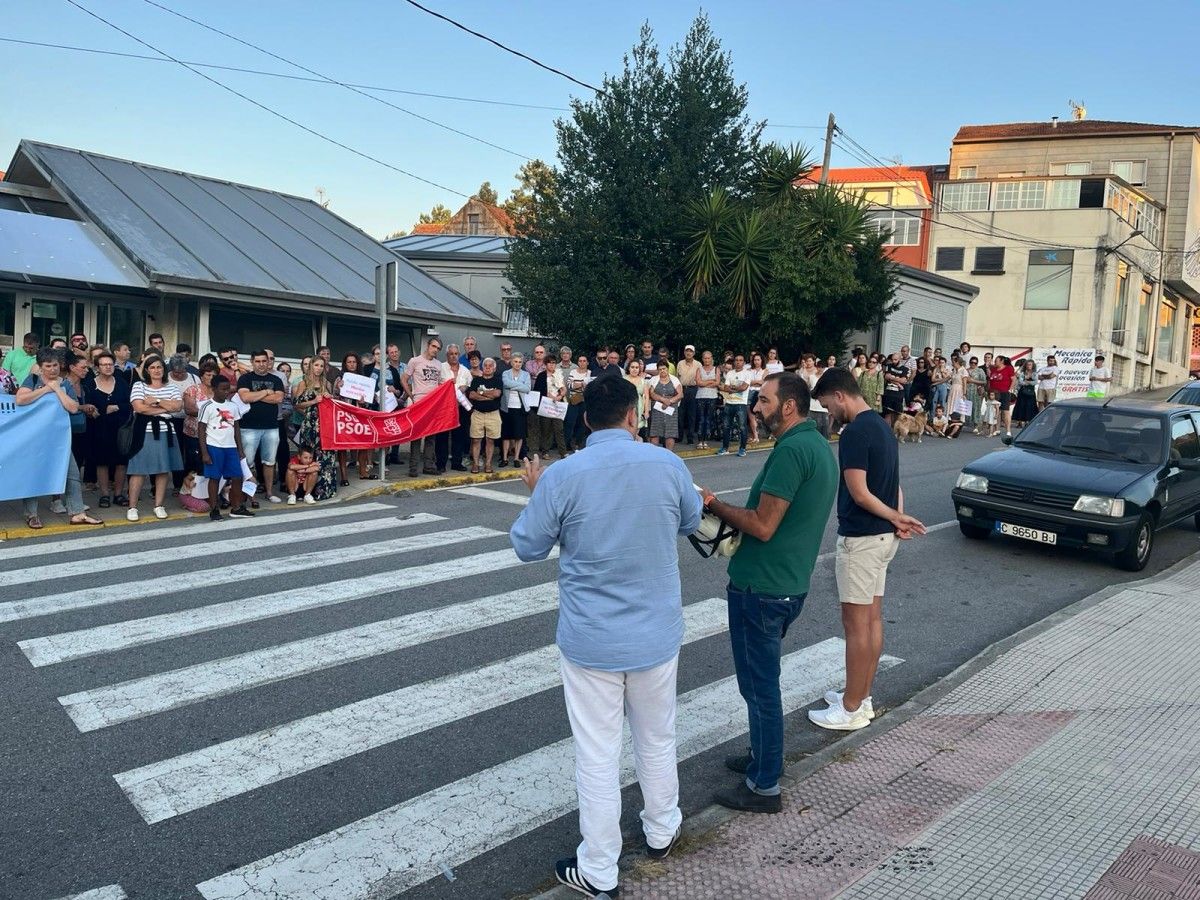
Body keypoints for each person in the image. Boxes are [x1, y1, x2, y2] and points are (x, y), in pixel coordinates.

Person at [510, 376, 702, 898]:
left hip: (591, 640)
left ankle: (599, 868)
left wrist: (537, 494)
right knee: (657, 736)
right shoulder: (668, 464)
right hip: (656, 634)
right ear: (634, 416)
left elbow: (527, 546)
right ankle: (662, 829)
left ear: (587, 420)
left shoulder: (563, 475)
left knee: (597, 753)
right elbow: (690, 520)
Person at [698, 373, 838, 813]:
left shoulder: (794, 450)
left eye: (763, 400)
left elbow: (762, 524)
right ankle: (763, 757)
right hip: (785, 583)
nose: (756, 407)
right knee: (760, 684)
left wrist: (712, 503)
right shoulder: (815, 445)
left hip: (762, 588)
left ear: (789, 406)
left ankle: (764, 786)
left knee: (759, 688)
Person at [810, 367, 925, 731]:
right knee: (872, 620)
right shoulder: (880, 425)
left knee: (856, 626)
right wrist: (898, 518)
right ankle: (862, 694)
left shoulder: (855, 432)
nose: (829, 413)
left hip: (861, 540)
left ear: (840, 395)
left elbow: (860, 492)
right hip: (882, 539)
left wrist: (896, 516)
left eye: (828, 405)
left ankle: (850, 707)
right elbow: (893, 482)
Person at [16, 349, 103, 528]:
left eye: (55, 365)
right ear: (40, 368)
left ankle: (77, 512)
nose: (53, 369)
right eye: (48, 366)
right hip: (35, 436)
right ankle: (31, 514)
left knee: (72, 475)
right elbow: (21, 399)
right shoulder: (32, 380)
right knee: (34, 475)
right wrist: (48, 389)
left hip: (59, 437)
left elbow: (73, 407)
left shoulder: (65, 384)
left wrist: (57, 389)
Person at [125, 354, 184, 522]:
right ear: (147, 370)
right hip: (144, 432)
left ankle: (159, 505)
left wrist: (156, 400)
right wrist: (164, 409)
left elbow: (177, 406)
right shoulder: (139, 385)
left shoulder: (172, 387)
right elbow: (139, 408)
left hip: (167, 432)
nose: (156, 370)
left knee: (163, 469)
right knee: (138, 470)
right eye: (152, 367)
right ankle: (132, 507)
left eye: (159, 367)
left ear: (164, 369)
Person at [198, 374, 251, 520]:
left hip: (231, 447)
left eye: (228, 389)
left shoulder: (233, 406)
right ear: (214, 389)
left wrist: (240, 449)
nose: (226, 392)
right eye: (223, 389)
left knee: (237, 476)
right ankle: (214, 509)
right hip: (214, 446)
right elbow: (201, 430)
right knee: (214, 478)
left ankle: (236, 507)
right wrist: (204, 453)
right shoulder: (207, 406)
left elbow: (236, 429)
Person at [84, 351, 131, 509]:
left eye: (110, 364)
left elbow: (130, 404)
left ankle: (118, 494)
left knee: (121, 462)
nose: (108, 367)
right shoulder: (90, 384)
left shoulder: (122, 383)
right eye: (104, 364)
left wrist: (116, 406)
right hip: (99, 429)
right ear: (97, 367)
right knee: (102, 462)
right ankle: (104, 494)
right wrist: (105, 409)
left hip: (121, 429)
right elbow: (90, 407)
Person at [236, 350, 284, 500]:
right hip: (248, 427)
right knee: (247, 463)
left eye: (264, 361)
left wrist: (256, 395)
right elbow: (244, 397)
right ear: (252, 361)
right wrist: (266, 392)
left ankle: (269, 493)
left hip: (271, 427)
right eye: (258, 361)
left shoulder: (276, 379)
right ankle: (246, 495)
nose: (261, 364)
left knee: (270, 462)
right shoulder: (245, 378)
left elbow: (278, 399)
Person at [293, 357, 338, 500]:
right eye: (316, 365)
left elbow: (333, 404)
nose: (318, 368)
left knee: (326, 457)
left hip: (325, 424)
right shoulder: (303, 383)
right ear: (311, 366)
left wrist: (329, 397)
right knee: (309, 457)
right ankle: (306, 491)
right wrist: (313, 401)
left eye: (321, 366)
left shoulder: (327, 383)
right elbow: (297, 404)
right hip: (310, 425)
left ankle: (324, 490)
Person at [401, 337, 445, 476]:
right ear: (428, 345)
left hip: (433, 403)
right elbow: (404, 378)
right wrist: (411, 394)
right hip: (419, 402)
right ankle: (413, 468)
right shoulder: (415, 361)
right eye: (434, 346)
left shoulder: (439, 364)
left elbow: (441, 383)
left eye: (438, 348)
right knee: (416, 436)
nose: (435, 350)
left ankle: (428, 466)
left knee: (431, 437)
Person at [468, 357, 504, 473]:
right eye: (485, 366)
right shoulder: (476, 381)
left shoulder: (498, 381)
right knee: (476, 440)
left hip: (493, 415)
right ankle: (475, 464)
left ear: (494, 368)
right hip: (477, 414)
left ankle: (488, 464)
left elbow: (497, 394)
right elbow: (472, 395)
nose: (487, 368)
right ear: (482, 367)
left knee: (490, 440)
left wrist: (481, 393)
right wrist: (488, 396)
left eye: (490, 366)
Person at [532, 355, 567, 458]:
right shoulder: (541, 376)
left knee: (559, 429)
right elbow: (537, 390)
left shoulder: (558, 374)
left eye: (553, 362)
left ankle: (563, 452)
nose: (552, 365)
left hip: (557, 405)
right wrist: (549, 396)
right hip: (546, 405)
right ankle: (545, 451)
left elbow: (563, 389)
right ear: (545, 364)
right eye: (550, 362)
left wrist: (559, 396)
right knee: (545, 429)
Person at [500, 352, 531, 466]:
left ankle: (517, 458)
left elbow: (527, 388)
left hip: (520, 408)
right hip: (507, 408)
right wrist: (519, 385)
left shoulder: (526, 374)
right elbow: (506, 383)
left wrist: (513, 385)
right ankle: (505, 458)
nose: (517, 364)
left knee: (519, 435)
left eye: (520, 362)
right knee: (506, 435)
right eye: (515, 362)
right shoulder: (505, 373)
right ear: (511, 362)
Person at [717, 354, 750, 457]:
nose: (738, 362)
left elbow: (744, 387)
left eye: (740, 360)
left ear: (744, 363)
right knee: (726, 427)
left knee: (742, 427)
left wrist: (732, 388)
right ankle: (725, 448)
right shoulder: (730, 373)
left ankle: (743, 448)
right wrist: (736, 388)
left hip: (741, 404)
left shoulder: (747, 373)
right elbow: (725, 388)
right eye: (736, 360)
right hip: (729, 403)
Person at [646, 361, 682, 450]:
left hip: (671, 408)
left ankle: (669, 454)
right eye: (660, 369)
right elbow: (651, 394)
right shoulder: (653, 379)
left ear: (667, 369)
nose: (662, 371)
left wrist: (669, 401)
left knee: (670, 433)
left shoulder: (674, 379)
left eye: (664, 369)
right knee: (655, 432)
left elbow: (680, 394)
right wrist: (663, 400)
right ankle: (655, 455)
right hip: (657, 407)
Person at [695, 351, 720, 450]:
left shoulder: (716, 369)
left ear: (711, 358)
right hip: (700, 396)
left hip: (712, 397)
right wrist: (711, 381)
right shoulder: (699, 369)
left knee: (708, 419)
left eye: (708, 358)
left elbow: (717, 382)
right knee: (701, 419)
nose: (707, 360)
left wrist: (704, 382)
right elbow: (698, 383)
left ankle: (706, 441)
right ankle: (700, 440)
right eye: (705, 358)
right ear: (702, 359)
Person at [676, 344, 700, 445]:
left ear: (693, 353)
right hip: (682, 389)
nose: (688, 353)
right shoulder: (680, 363)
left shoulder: (698, 364)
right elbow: (677, 377)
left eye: (690, 351)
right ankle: (680, 436)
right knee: (680, 414)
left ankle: (690, 437)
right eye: (687, 351)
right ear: (684, 352)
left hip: (693, 390)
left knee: (692, 415)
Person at [988, 355, 1017, 437]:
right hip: (994, 393)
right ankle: (997, 429)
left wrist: (1010, 389)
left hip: (1004, 392)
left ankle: (1008, 430)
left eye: (996, 361)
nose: (995, 362)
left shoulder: (1008, 368)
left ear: (1001, 361)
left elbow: (1013, 379)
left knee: (1005, 411)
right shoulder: (993, 369)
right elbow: (990, 379)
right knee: (996, 411)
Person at [881, 351, 908, 425]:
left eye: (895, 360)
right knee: (887, 413)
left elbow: (904, 380)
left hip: (898, 394)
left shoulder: (904, 369)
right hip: (888, 393)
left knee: (897, 414)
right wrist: (898, 383)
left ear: (899, 359)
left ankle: (894, 431)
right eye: (892, 359)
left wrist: (892, 378)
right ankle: (887, 431)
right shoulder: (889, 366)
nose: (893, 361)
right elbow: (886, 377)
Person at [746, 352, 766, 443]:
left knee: (759, 414)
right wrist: (757, 382)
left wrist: (754, 382)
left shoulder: (765, 370)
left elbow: (763, 382)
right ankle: (755, 435)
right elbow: (748, 382)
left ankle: (758, 434)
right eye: (755, 360)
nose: (756, 362)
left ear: (762, 360)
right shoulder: (749, 370)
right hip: (749, 392)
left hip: (759, 393)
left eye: (758, 360)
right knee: (750, 415)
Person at [1013, 358, 1039, 427]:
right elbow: (1021, 382)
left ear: (1033, 365)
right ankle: (1020, 422)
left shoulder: (1034, 373)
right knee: (1021, 406)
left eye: (1030, 364)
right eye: (1028, 364)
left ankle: (1028, 421)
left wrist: (1027, 381)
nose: (1029, 366)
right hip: (1022, 392)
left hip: (1031, 392)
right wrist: (1028, 381)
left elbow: (1035, 382)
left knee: (1030, 406)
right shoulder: (1022, 373)